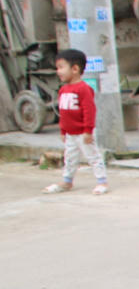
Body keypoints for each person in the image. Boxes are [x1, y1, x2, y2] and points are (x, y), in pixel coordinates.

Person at [43, 48, 109, 195]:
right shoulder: (63, 90)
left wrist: (88, 130)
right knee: (70, 158)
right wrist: (63, 131)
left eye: (61, 67)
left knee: (93, 156)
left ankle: (102, 181)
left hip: (83, 132)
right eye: (57, 68)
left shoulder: (84, 89)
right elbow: (63, 113)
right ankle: (67, 181)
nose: (58, 71)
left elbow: (89, 111)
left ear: (75, 69)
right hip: (70, 133)